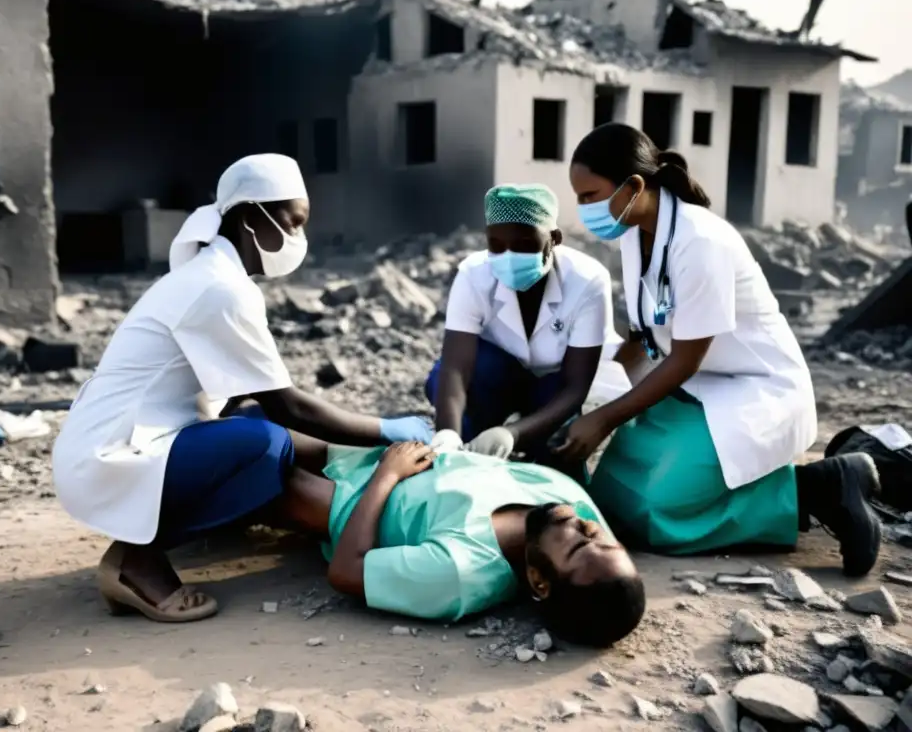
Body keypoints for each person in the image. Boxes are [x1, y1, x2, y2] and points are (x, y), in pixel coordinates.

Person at [52, 154, 433, 623]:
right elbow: (289, 405)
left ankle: (220, 516)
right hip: (109, 456)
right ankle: (137, 558)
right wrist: (385, 430)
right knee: (264, 443)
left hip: (131, 439)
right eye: (293, 223)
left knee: (256, 429)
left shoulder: (216, 276)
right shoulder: (219, 288)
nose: (298, 238)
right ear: (253, 218)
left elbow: (238, 396)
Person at [557, 123, 881, 577]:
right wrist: (586, 396)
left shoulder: (699, 240)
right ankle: (779, 484)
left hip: (752, 388)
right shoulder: (634, 234)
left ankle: (817, 488)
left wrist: (605, 418)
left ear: (632, 186)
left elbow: (686, 359)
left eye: (590, 196)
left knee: (659, 512)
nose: (582, 209)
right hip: (692, 389)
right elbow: (640, 336)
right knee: (614, 503)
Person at [274, 436, 645, 648]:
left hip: (349, 499)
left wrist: (388, 474)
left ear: (539, 581)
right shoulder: (567, 499)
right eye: (606, 540)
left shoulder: (460, 572)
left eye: (579, 545)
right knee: (260, 415)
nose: (588, 527)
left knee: (255, 454)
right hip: (388, 452)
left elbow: (346, 571)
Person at [426, 183, 617, 461]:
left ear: (554, 238)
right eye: (496, 245)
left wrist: (512, 434)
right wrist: (448, 434)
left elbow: (576, 386)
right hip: (498, 379)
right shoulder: (473, 275)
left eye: (525, 245)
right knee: (449, 392)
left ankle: (532, 443)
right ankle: (471, 438)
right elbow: (456, 366)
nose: (509, 257)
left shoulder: (588, 281)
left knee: (556, 452)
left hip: (554, 386)